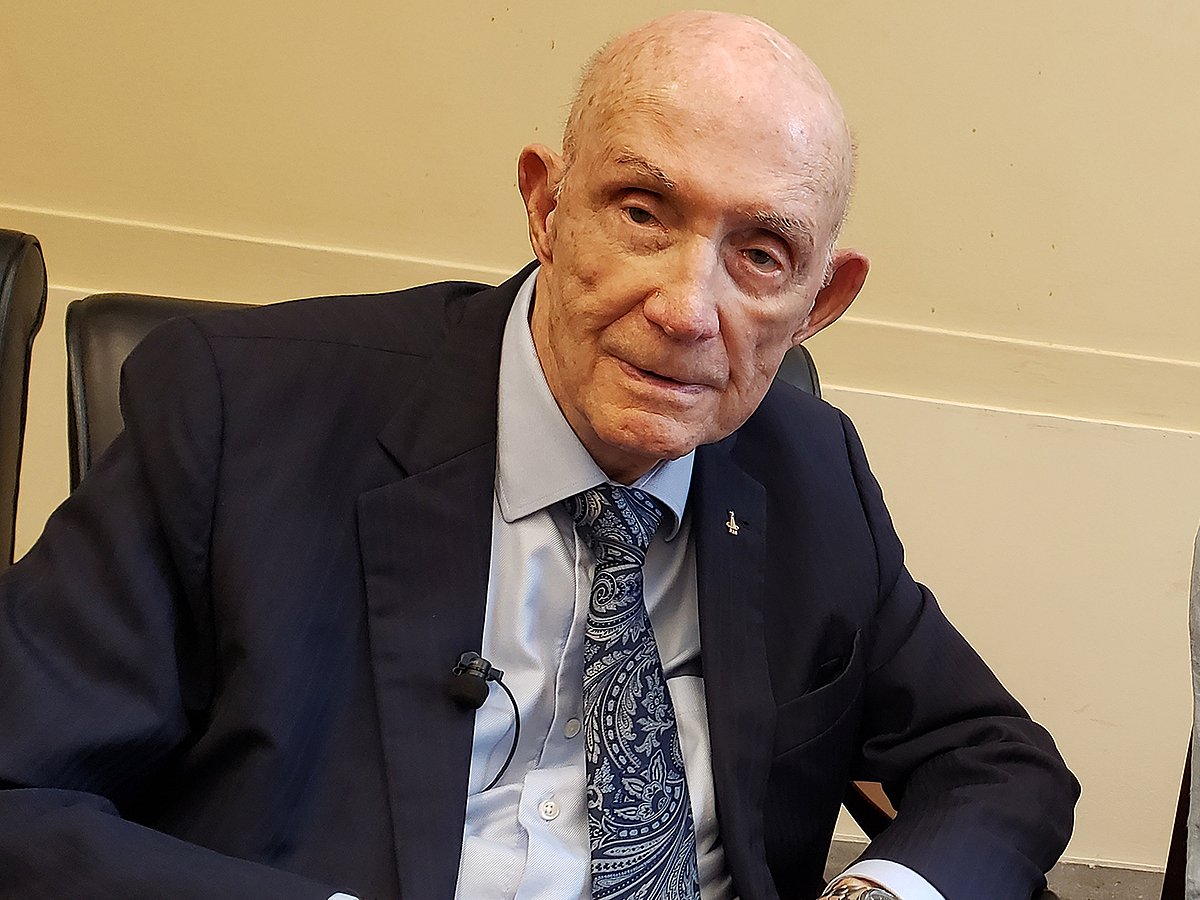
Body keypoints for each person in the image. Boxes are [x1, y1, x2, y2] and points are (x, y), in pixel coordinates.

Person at [0, 10, 1077, 900]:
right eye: (643, 213)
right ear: (546, 205)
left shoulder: (809, 472)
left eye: (760, 254)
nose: (686, 309)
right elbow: (20, 796)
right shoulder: (241, 413)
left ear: (819, 302)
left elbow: (997, 764)